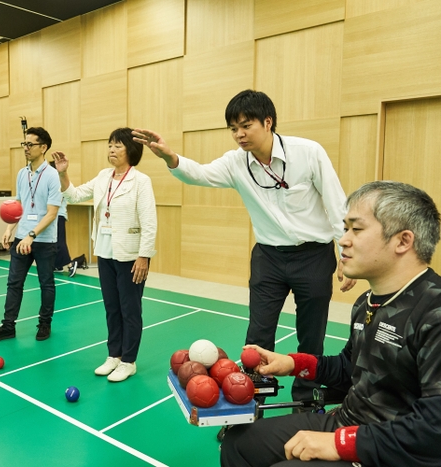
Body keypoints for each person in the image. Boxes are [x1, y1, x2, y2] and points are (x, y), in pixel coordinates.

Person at [133, 90, 353, 400]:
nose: (239, 134)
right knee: (257, 336)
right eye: (233, 128)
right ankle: (251, 401)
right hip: (268, 258)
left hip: (314, 256)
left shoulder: (308, 152)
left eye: (245, 125)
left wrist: (347, 252)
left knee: (311, 337)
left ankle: (305, 400)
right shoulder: (236, 163)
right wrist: (170, 156)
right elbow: (200, 174)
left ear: (268, 122)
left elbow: (336, 203)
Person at [221, 180, 441, 467]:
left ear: (403, 240)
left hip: (392, 448)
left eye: (356, 229)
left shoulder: (433, 311)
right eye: (345, 228)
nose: (343, 240)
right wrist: (292, 363)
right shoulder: (367, 302)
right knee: (239, 444)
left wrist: (342, 443)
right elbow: (351, 369)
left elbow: (434, 428)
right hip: (350, 422)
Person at [52, 127, 157, 382]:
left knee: (129, 309)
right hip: (106, 252)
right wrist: (63, 173)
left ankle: (129, 361)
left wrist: (144, 255)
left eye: (117, 145)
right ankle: (115, 355)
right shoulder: (103, 177)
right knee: (112, 307)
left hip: (131, 254)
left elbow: (150, 221)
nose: (111, 149)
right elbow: (74, 196)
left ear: (130, 150)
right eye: (110, 145)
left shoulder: (140, 181)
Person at [0, 127, 62, 343]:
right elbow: (19, 205)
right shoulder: (22, 173)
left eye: (30, 144)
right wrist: (9, 228)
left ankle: (44, 323)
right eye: (24, 144)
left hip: (44, 240)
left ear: (43, 147)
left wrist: (31, 235)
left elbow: (52, 213)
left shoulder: (53, 175)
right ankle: (8, 325)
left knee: (46, 283)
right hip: (22, 238)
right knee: (14, 283)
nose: (26, 148)